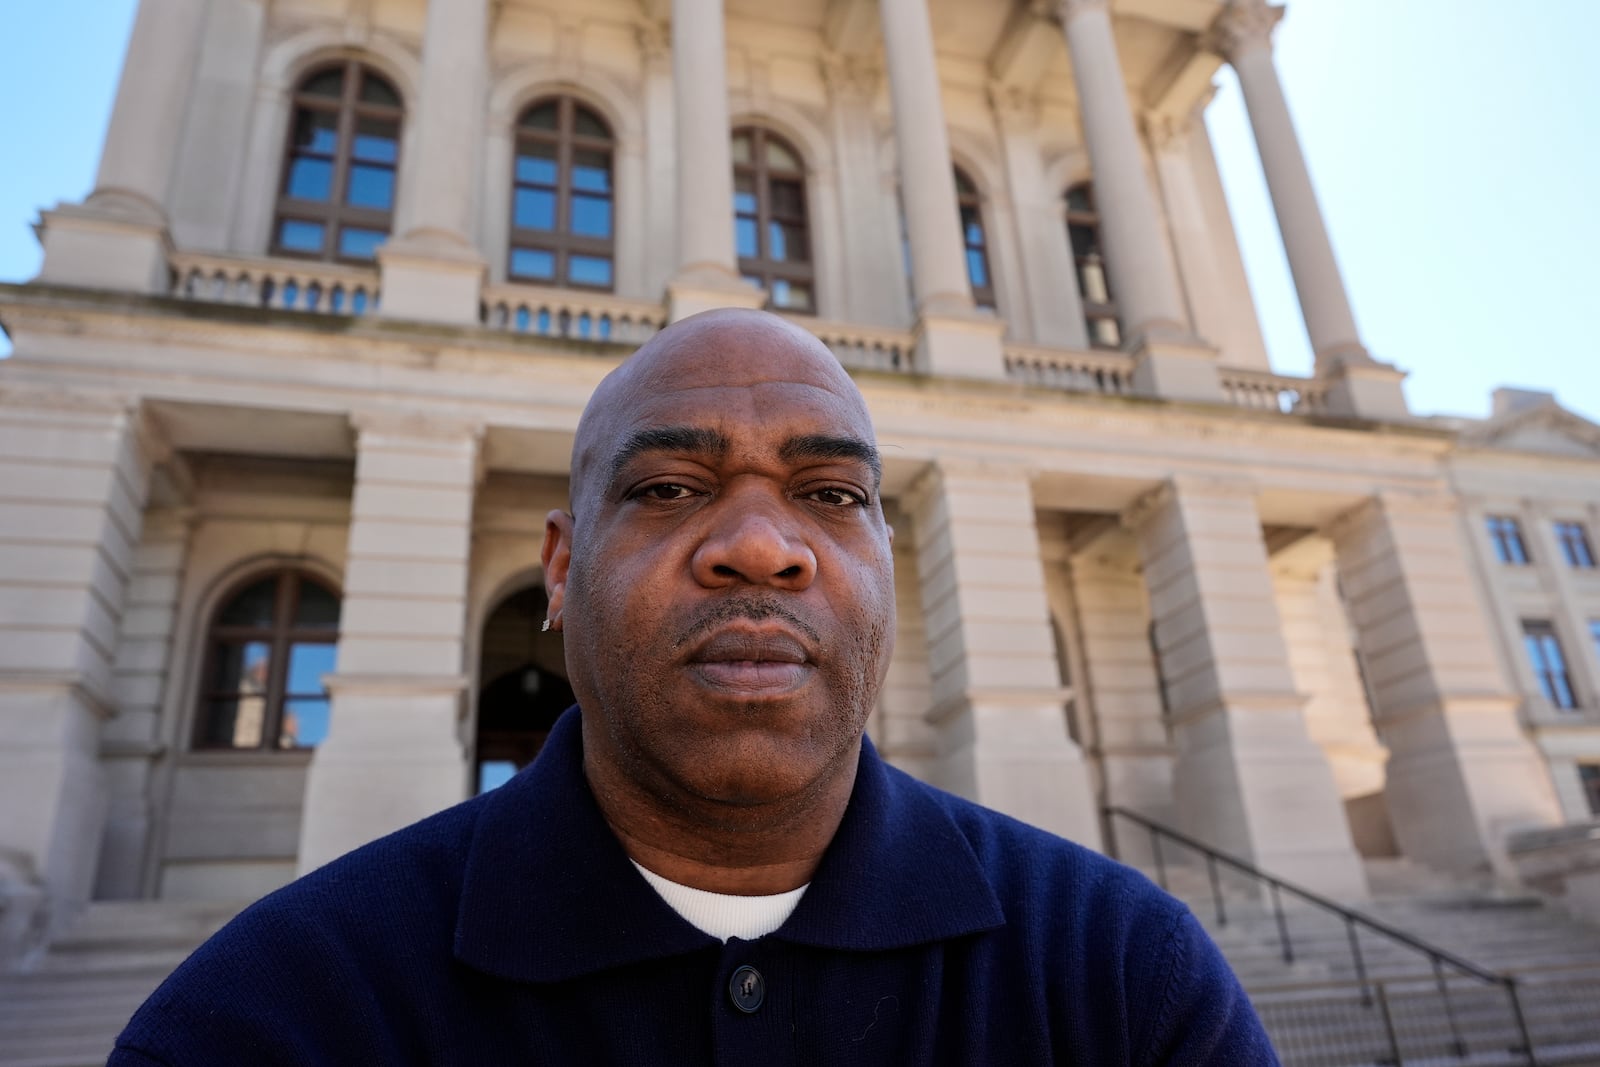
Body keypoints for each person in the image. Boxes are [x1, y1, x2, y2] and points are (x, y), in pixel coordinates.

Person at [109, 309, 1278, 1065]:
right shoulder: (280, 1015)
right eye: (670, 486)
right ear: (561, 566)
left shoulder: (1128, 981)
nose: (764, 546)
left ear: (882, 558)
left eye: (831, 494)